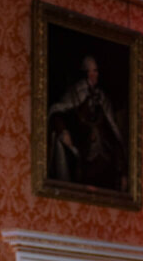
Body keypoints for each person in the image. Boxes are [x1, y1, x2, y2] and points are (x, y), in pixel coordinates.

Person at [48, 55, 127, 191]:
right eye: (90, 71)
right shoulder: (74, 93)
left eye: (95, 71)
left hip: (104, 157)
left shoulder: (103, 98)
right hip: (82, 154)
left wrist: (123, 170)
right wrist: (63, 132)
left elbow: (114, 131)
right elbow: (57, 111)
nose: (93, 75)